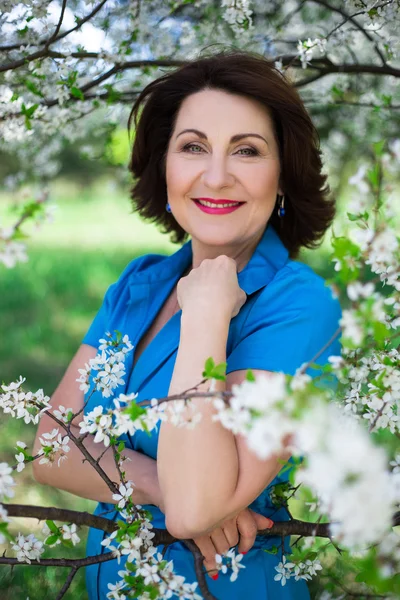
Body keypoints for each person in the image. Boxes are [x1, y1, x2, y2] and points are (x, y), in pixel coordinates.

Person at [32, 49, 342, 599]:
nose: (216, 176)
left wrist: (205, 314)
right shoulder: (140, 284)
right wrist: (160, 486)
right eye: (193, 146)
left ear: (283, 174)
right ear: (165, 165)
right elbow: (51, 448)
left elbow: (199, 505)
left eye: (247, 150)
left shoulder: (300, 307)